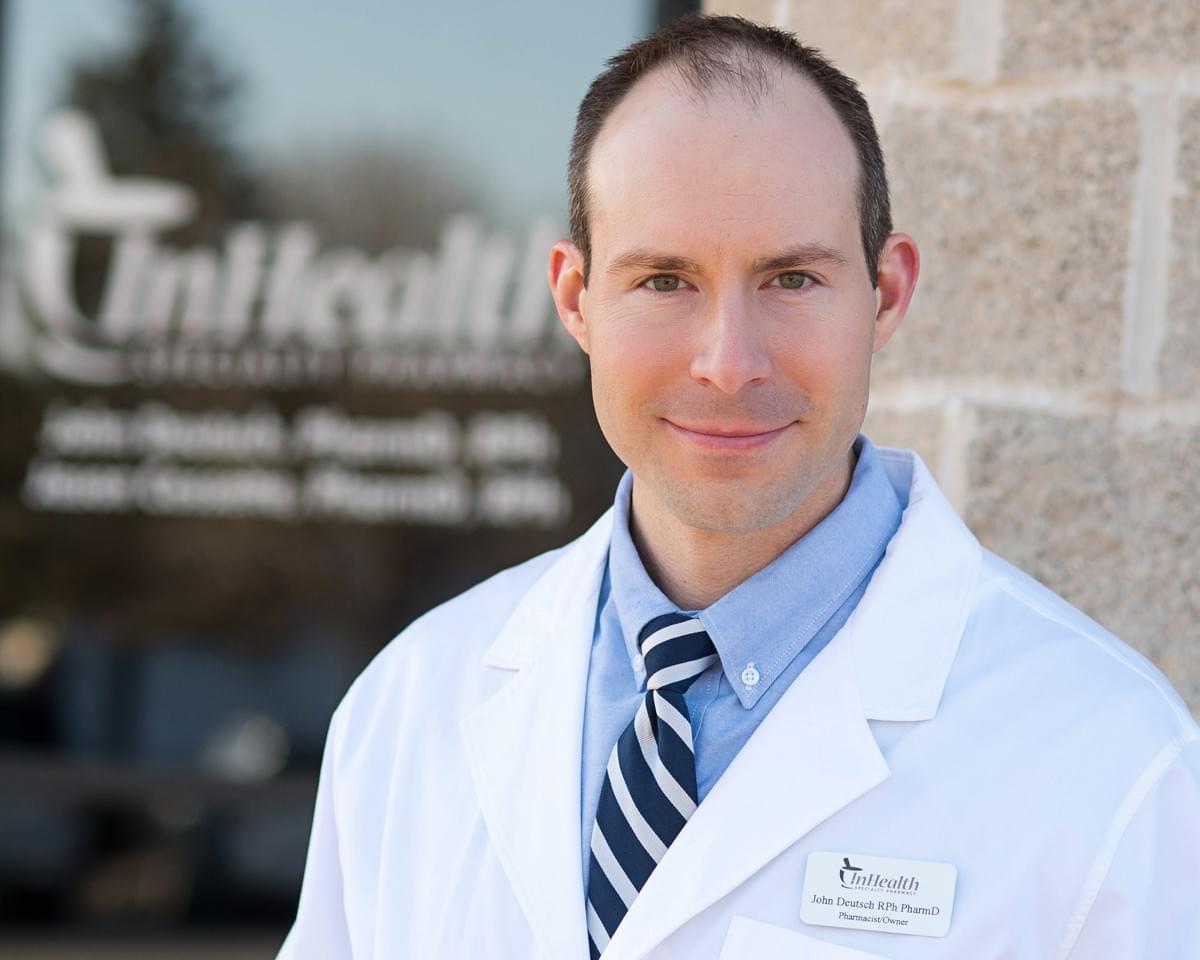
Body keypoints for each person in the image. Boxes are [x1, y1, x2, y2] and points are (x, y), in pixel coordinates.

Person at [278, 15, 1200, 960]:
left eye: (791, 278)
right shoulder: (408, 711)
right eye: (665, 280)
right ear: (574, 298)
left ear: (885, 294)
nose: (729, 362)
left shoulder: (1112, 765)